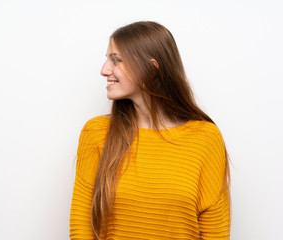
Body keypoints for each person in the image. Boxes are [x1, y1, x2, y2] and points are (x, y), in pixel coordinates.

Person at [70, 21, 230, 240]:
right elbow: (82, 229)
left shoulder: (205, 139)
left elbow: (216, 234)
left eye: (116, 60)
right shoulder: (96, 133)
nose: (104, 70)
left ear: (151, 68)